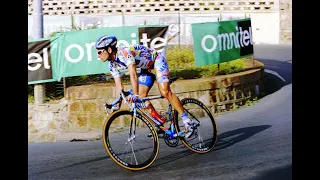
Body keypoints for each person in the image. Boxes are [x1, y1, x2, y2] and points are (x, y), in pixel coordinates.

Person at [95, 35, 193, 138]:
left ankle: (187, 121)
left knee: (165, 92)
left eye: (99, 52)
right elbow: (120, 87)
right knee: (141, 99)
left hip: (157, 60)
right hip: (145, 69)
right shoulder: (111, 65)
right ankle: (160, 123)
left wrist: (135, 95)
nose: (98, 56)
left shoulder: (124, 53)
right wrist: (117, 104)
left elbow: (133, 74)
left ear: (109, 49)